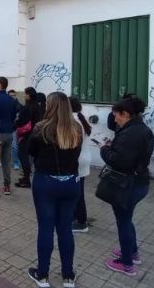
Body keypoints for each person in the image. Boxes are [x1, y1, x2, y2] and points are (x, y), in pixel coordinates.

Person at [27, 92, 83, 288]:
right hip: (70, 183)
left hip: (46, 183)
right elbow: (76, 153)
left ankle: (42, 275)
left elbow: (31, 152)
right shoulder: (77, 128)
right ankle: (68, 276)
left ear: (50, 106)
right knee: (65, 229)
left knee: (46, 228)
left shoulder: (41, 128)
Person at [97, 97, 154, 277]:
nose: (115, 120)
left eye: (117, 116)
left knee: (123, 222)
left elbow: (119, 160)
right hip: (138, 182)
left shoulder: (131, 133)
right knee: (127, 219)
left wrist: (103, 148)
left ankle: (127, 263)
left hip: (127, 185)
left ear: (126, 114)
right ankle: (132, 251)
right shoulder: (140, 129)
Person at [70, 97, 92, 233]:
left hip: (77, 160)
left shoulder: (73, 120)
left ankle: (81, 222)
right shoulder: (80, 117)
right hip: (83, 158)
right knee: (77, 190)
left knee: (77, 192)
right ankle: (76, 218)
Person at [15, 87, 43, 188]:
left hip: (25, 135)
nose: (24, 95)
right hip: (35, 134)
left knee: (23, 156)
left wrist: (16, 123)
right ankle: (27, 178)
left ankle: (26, 179)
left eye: (25, 94)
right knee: (29, 157)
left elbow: (21, 121)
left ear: (29, 95)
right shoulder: (37, 106)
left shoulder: (27, 107)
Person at [8, 89, 21, 170]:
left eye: (13, 95)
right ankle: (3, 161)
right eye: (10, 95)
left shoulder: (19, 106)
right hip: (6, 128)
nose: (12, 97)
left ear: (16, 96)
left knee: (14, 146)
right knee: (3, 146)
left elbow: (19, 118)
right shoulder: (6, 104)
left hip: (14, 128)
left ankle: (16, 162)